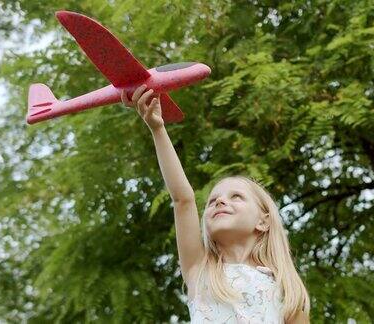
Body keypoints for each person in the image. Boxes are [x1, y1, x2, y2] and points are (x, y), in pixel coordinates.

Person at [121, 85, 310, 323]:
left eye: (236, 197)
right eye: (212, 201)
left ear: (263, 221)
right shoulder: (201, 272)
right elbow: (183, 199)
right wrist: (157, 128)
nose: (220, 200)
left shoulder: (285, 288)